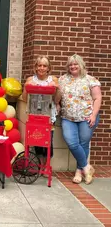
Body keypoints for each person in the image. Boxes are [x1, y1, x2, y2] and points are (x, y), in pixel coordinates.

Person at [55, 54, 102, 185]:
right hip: (68, 117)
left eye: (75, 64)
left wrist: (93, 115)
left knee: (83, 144)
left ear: (81, 65)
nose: (73, 66)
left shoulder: (90, 80)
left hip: (86, 117)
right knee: (72, 142)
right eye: (70, 64)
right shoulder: (63, 79)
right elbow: (57, 96)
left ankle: (78, 172)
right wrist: (57, 103)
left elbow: (97, 98)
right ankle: (87, 167)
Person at [22, 55, 58, 170]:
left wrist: (57, 89)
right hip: (34, 114)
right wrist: (26, 88)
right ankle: (40, 164)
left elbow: (57, 99)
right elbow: (24, 98)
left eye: (44, 66)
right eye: (39, 65)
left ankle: (46, 164)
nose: (42, 68)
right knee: (36, 139)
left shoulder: (53, 80)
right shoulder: (30, 80)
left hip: (48, 115)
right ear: (36, 67)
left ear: (49, 68)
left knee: (48, 141)